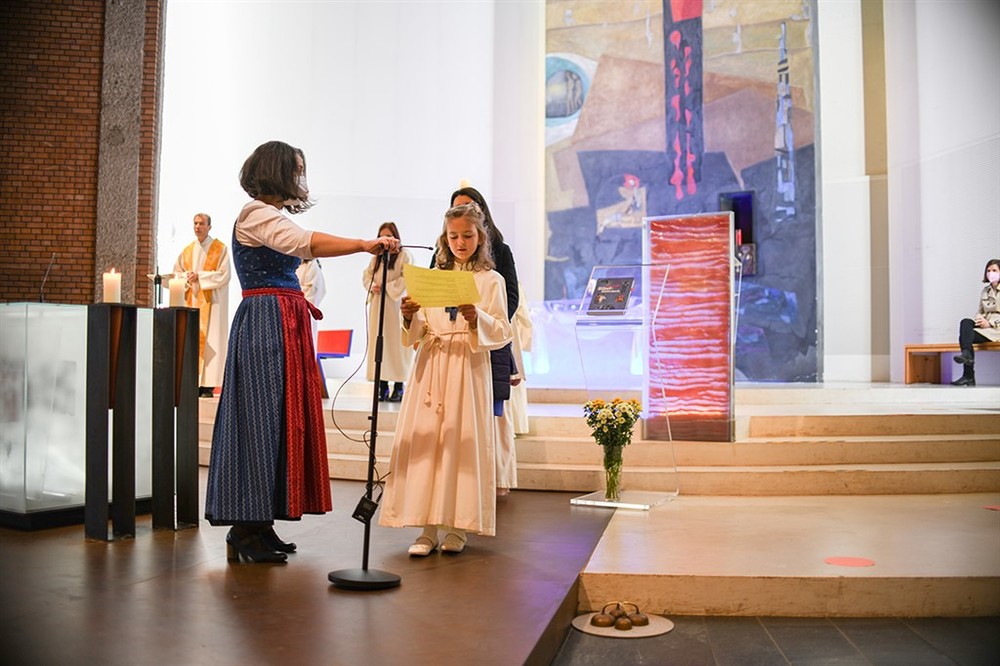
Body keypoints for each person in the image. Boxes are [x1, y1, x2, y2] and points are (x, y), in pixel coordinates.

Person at [204, 140, 399, 563]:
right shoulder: (256, 213)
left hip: (282, 320)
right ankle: (244, 529)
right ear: (275, 171)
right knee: (260, 419)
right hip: (266, 321)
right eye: (295, 170)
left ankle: (260, 523)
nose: (299, 178)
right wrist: (363, 244)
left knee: (279, 418)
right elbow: (305, 242)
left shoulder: (270, 216)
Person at [378, 203, 512, 556]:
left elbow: (502, 330)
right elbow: (420, 330)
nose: (460, 243)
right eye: (453, 236)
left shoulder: (491, 280)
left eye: (467, 235)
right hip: (432, 364)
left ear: (480, 237)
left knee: (459, 444)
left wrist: (476, 317)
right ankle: (426, 529)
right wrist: (409, 317)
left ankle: (457, 528)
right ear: (444, 238)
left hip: (467, 366)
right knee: (428, 446)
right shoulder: (433, 276)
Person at [448, 187, 521, 495]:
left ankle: (495, 479)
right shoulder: (443, 258)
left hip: (488, 341)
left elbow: (510, 298)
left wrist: (483, 321)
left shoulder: (499, 251)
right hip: (451, 349)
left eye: (470, 207)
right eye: (457, 208)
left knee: (493, 415)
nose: (460, 241)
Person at [173, 212, 232, 398]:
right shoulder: (187, 250)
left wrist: (200, 276)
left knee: (211, 340)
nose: (197, 227)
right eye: (195, 223)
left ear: (209, 227)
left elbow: (224, 275)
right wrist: (187, 277)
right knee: (193, 341)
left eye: (201, 224)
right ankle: (194, 382)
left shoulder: (220, 249)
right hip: (192, 301)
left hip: (212, 303)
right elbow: (177, 273)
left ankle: (208, 385)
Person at [362, 222, 414, 402]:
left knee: (396, 347)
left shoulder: (404, 256)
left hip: (395, 306)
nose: (386, 240)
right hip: (378, 307)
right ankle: (382, 386)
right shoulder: (376, 257)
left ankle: (398, 387)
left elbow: (407, 278)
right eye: (382, 236)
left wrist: (386, 286)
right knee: (380, 346)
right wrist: (373, 285)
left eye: (389, 236)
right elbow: (367, 275)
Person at [951, 258, 1000, 386]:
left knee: (964, 338)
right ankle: (966, 355)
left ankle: (968, 376)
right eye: (988, 270)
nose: (991, 273)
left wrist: (990, 323)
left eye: (994, 270)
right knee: (965, 323)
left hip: (997, 329)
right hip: (985, 327)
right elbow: (980, 311)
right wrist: (980, 320)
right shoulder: (985, 291)